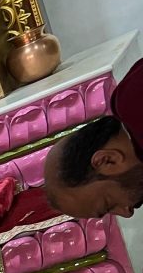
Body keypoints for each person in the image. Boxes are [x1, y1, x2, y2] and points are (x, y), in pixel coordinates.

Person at [43, 59, 143, 219]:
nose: (127, 212)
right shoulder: (125, 103)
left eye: (108, 204)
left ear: (107, 160)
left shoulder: (135, 100)